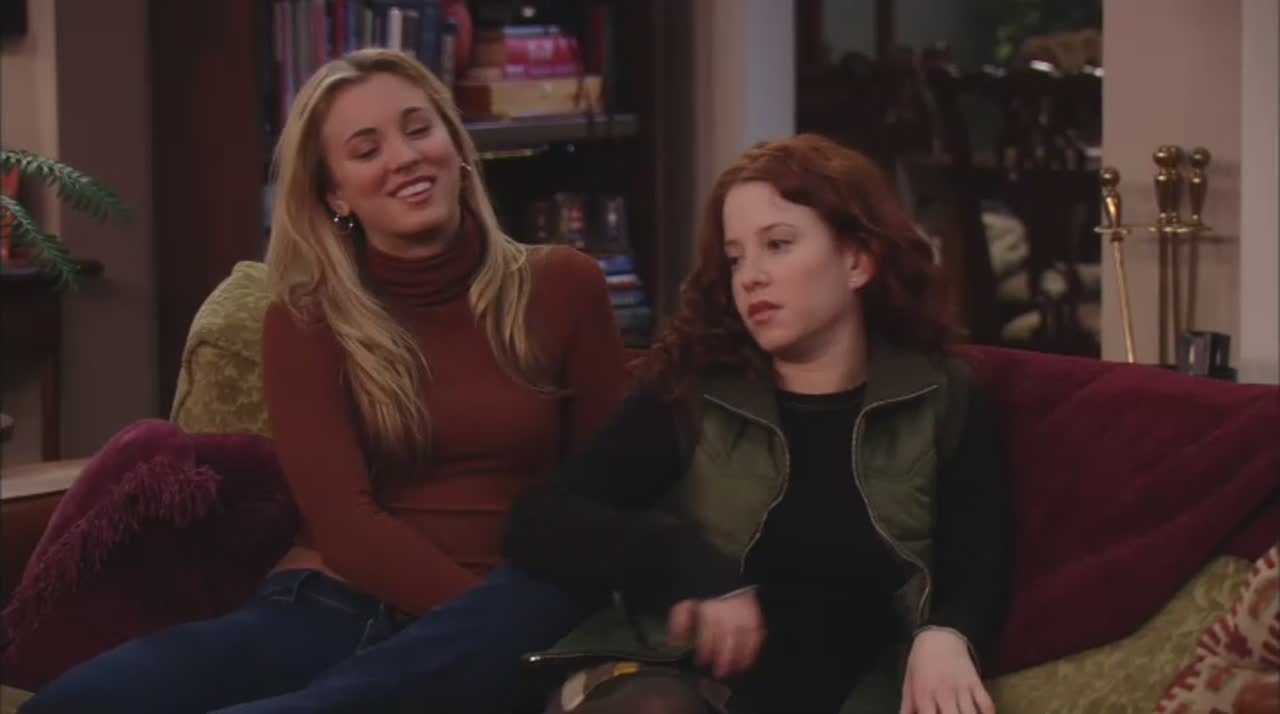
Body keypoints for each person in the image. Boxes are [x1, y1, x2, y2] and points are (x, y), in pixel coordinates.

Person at [21, 48, 628, 714]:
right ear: (337, 195)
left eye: (418, 130)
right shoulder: (306, 319)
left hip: (511, 609)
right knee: (69, 705)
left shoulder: (565, 286)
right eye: (367, 150)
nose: (404, 158)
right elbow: (347, 526)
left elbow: (609, 489)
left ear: (456, 147)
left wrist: (510, 632)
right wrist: (486, 631)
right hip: (338, 606)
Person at [503, 134, 1014, 714]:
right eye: (736, 258)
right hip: (674, 676)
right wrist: (685, 564)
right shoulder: (692, 390)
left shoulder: (941, 395)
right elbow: (539, 520)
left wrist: (948, 634)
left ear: (857, 260)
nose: (751, 277)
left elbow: (981, 559)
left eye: (777, 245)